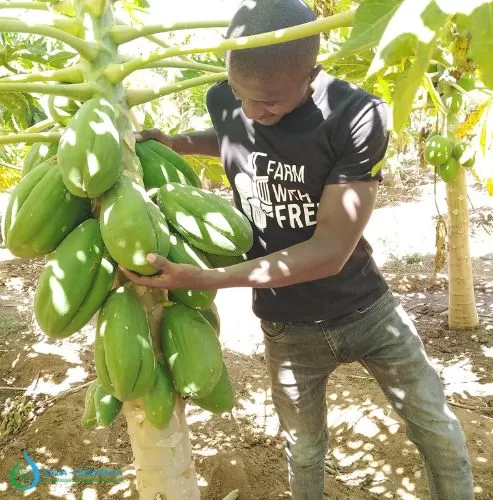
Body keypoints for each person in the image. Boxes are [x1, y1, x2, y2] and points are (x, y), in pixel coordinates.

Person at [123, 1, 474, 498]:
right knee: (304, 449)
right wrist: (176, 142)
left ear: (312, 72)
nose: (253, 111)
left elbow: (329, 250)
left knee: (435, 427)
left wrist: (205, 280)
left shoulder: (357, 116)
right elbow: (233, 135)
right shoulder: (225, 99)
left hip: (367, 311)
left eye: (270, 102)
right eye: (242, 96)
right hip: (287, 326)